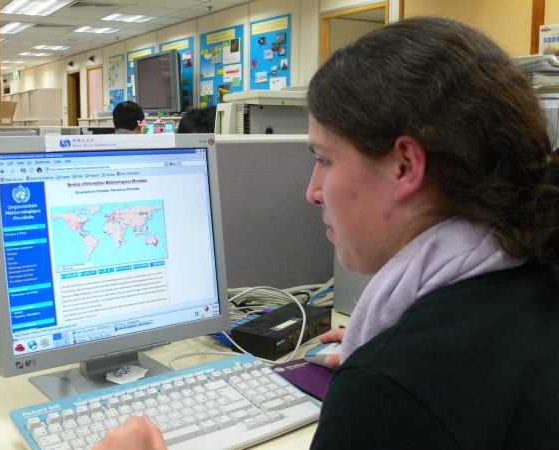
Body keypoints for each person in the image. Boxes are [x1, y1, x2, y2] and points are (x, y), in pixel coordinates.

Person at [93, 17, 559, 449]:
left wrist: (381, 369)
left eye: (324, 159)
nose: (313, 192)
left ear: (404, 165)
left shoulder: (391, 391)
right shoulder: (534, 281)